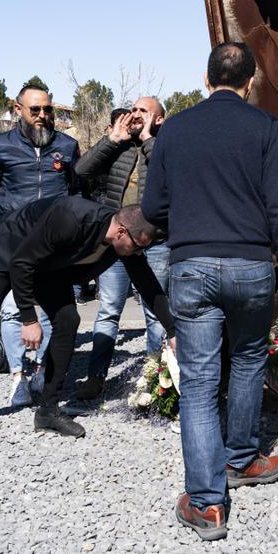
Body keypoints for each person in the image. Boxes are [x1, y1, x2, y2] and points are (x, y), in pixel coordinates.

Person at [142, 42, 278, 542]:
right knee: (251, 359)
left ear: (206, 79)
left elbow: (153, 207)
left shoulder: (176, 131)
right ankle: (242, 459)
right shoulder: (266, 130)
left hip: (190, 264)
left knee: (199, 383)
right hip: (252, 266)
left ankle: (207, 502)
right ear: (250, 82)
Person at [0, 200, 170, 453]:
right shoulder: (72, 219)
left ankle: (48, 411)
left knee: (68, 320)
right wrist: (29, 320)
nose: (138, 253)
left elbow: (147, 284)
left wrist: (173, 332)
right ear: (121, 232)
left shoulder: (124, 240)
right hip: (6, 256)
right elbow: (21, 264)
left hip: (45, 266)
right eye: (138, 247)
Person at [0, 84, 79, 406]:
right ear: (19, 111)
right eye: (35, 110)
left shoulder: (68, 146)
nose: (43, 116)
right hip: (11, 245)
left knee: (52, 313)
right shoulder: (1, 146)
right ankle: (18, 375)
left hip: (54, 248)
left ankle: (42, 369)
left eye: (47, 110)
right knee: (12, 311)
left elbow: (77, 195)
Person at [74, 96, 170, 400]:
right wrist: (112, 138)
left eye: (144, 110)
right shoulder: (120, 146)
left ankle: (154, 380)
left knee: (155, 312)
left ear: (158, 119)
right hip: (116, 241)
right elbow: (82, 171)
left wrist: (149, 140)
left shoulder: (166, 145)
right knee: (108, 310)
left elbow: (172, 175)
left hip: (154, 243)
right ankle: (96, 376)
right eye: (134, 109)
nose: (136, 114)